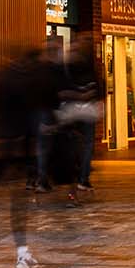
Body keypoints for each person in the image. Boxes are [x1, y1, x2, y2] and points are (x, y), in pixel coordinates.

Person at [0, 45, 58, 268]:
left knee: (10, 202)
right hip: (24, 146)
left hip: (7, 143)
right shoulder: (33, 78)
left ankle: (22, 254)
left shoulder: (4, 76)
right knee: (12, 206)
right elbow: (47, 103)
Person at [48, 35, 102, 201]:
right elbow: (97, 87)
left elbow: (59, 90)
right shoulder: (89, 64)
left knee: (73, 146)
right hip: (85, 111)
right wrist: (88, 96)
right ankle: (82, 179)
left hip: (70, 111)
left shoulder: (66, 65)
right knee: (86, 145)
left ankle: (75, 180)